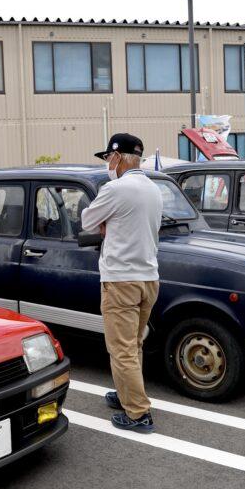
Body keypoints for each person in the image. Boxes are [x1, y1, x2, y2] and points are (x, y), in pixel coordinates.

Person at [80, 133, 163, 433]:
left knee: (122, 349)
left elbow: (87, 221)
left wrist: (105, 223)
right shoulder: (154, 189)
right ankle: (127, 393)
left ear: (117, 157)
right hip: (149, 278)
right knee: (134, 344)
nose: (107, 164)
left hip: (121, 280)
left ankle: (138, 414)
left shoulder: (115, 189)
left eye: (107, 158)